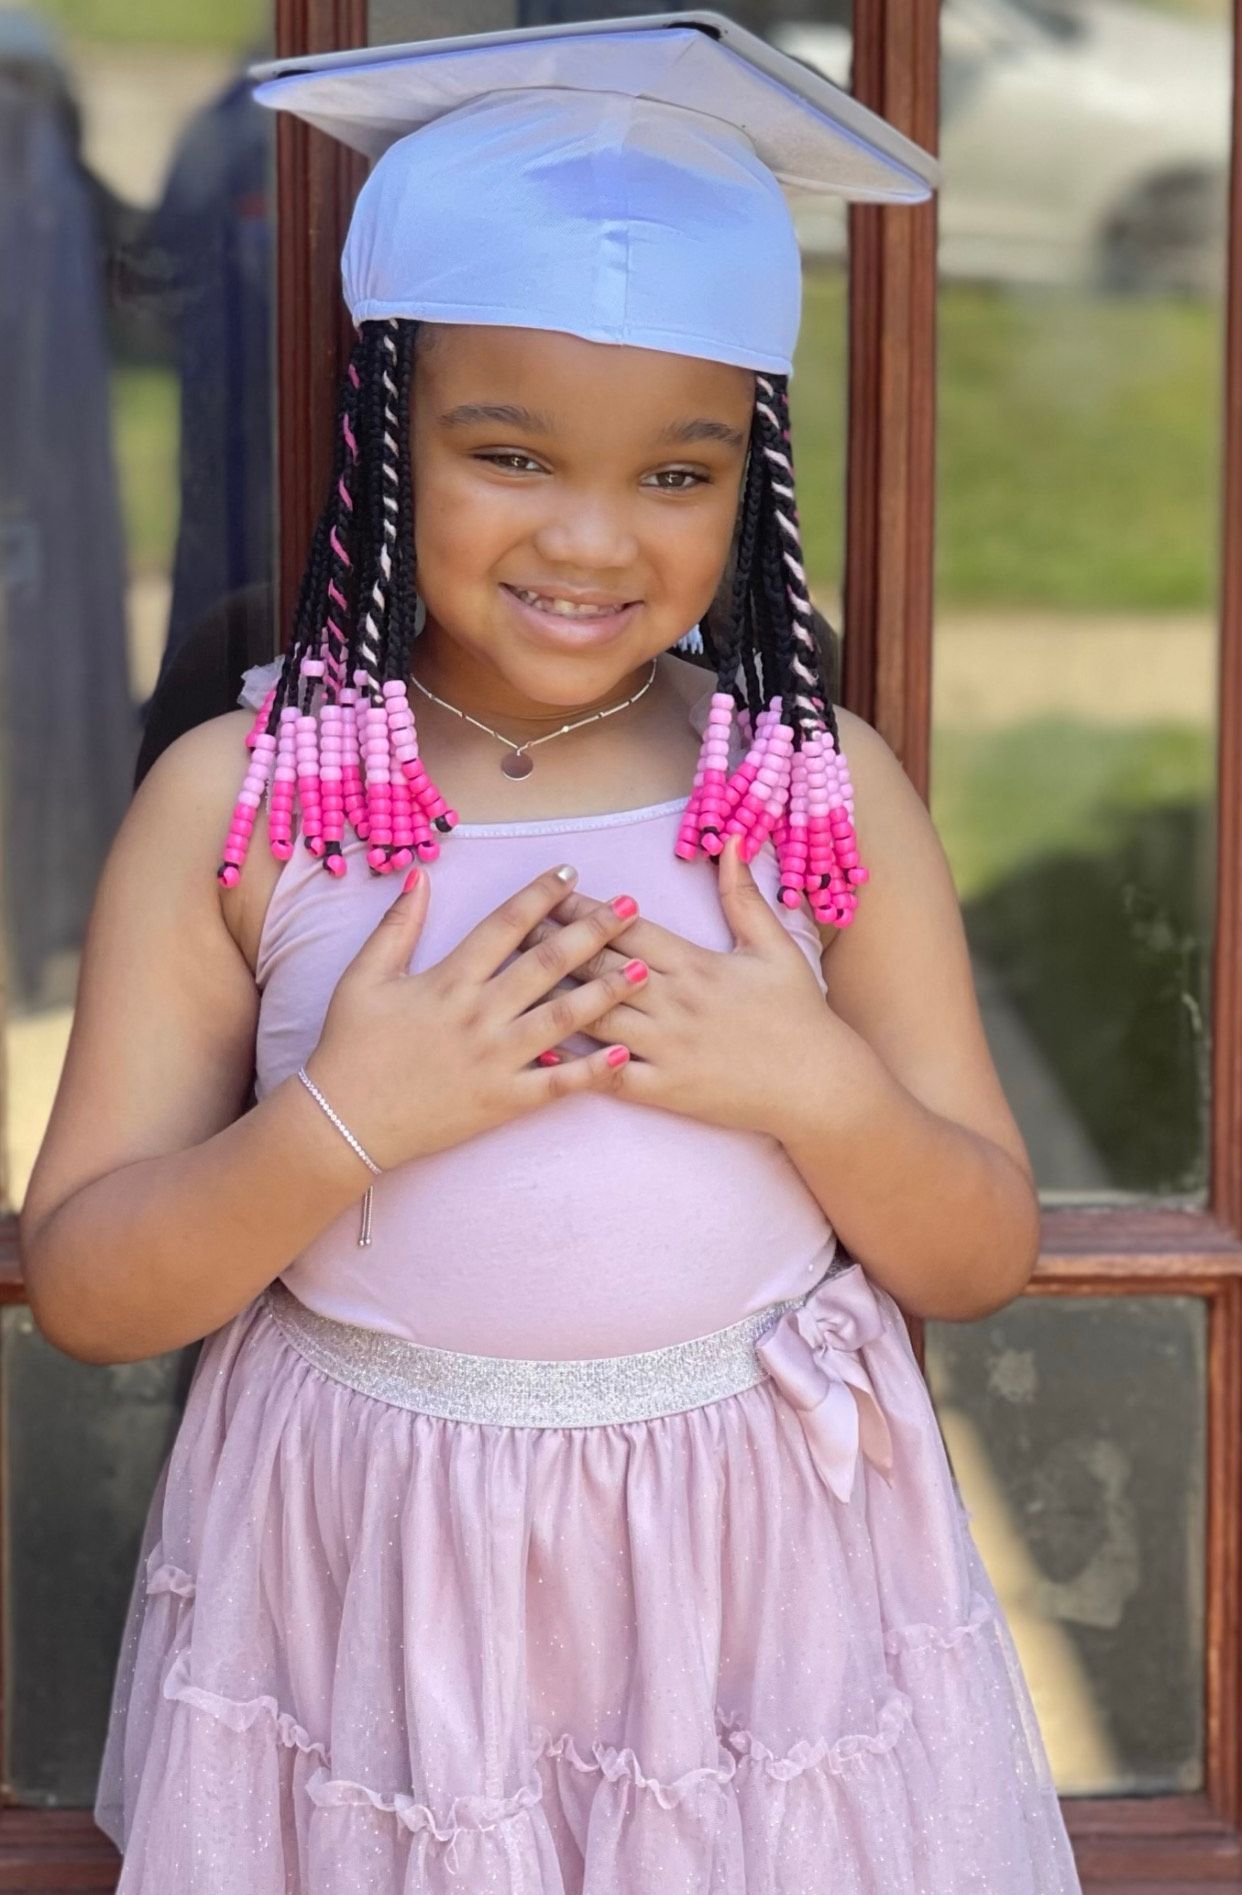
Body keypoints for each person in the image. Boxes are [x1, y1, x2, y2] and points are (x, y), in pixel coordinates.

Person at [19, 17, 1082, 1891]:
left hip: (747, 1603)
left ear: (745, 484)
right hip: (383, 1595)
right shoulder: (243, 802)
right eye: (508, 453)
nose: (592, 540)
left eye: (675, 477)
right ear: (381, 439)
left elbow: (976, 1250)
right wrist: (349, 1119)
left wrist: (814, 1092)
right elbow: (96, 1291)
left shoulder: (809, 790)